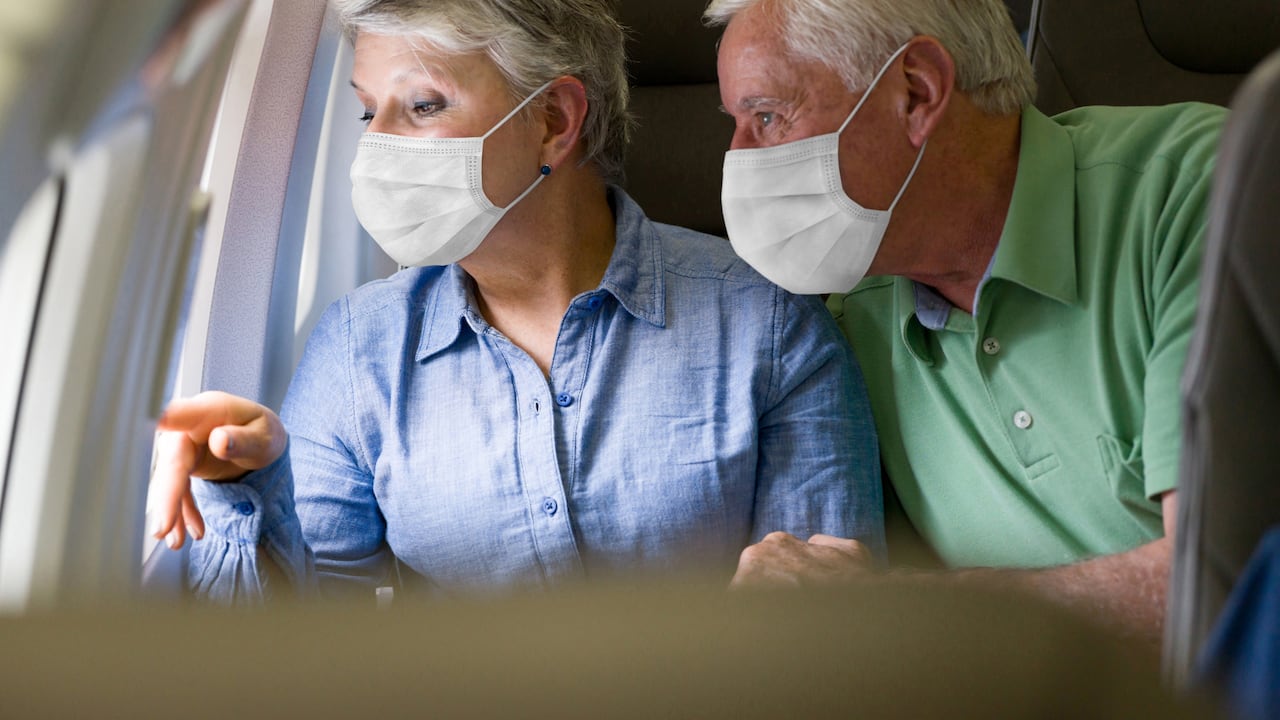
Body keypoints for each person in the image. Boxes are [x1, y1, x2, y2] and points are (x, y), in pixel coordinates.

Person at [149, 0, 884, 603]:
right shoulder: (357, 348)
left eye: (424, 104)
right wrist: (249, 483)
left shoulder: (772, 326)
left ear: (554, 121)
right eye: (371, 113)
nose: (378, 150)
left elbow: (824, 627)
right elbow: (309, 651)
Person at [707, 0, 1225, 644]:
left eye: (766, 118)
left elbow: (1232, 579)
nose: (738, 160)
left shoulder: (1202, 193)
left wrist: (921, 611)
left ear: (916, 92)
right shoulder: (841, 315)